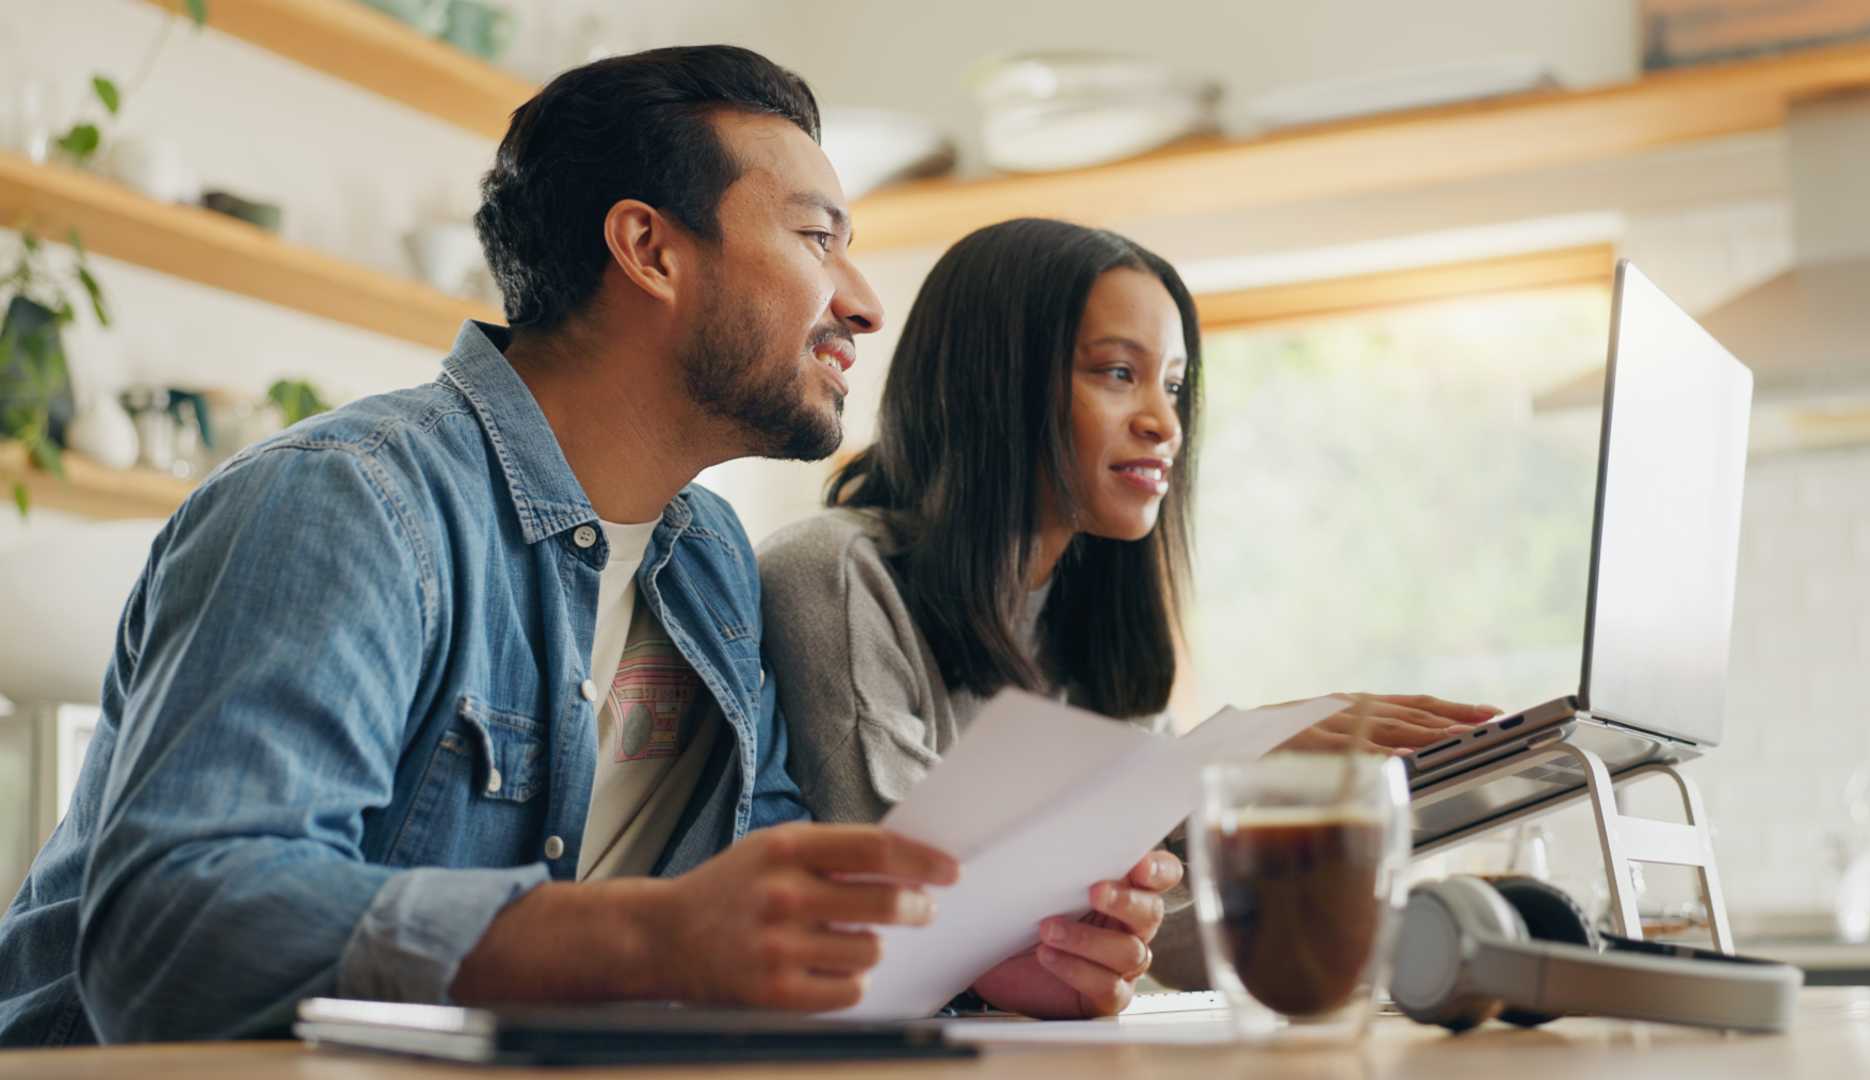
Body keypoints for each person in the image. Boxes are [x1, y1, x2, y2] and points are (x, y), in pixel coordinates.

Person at [0, 51, 1174, 1046]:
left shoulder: (711, 565)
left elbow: (762, 904)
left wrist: (973, 965)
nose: (863, 302)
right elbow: (175, 931)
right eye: (819, 238)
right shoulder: (347, 504)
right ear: (649, 249)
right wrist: (644, 940)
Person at [758, 218, 1496, 990]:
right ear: (991, 382)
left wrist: (1330, 830)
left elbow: (1171, 943)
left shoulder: (1093, 627)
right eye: (1118, 373)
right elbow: (912, 884)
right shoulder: (834, 572)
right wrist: (1209, 768)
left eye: (1173, 386)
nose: (1165, 423)